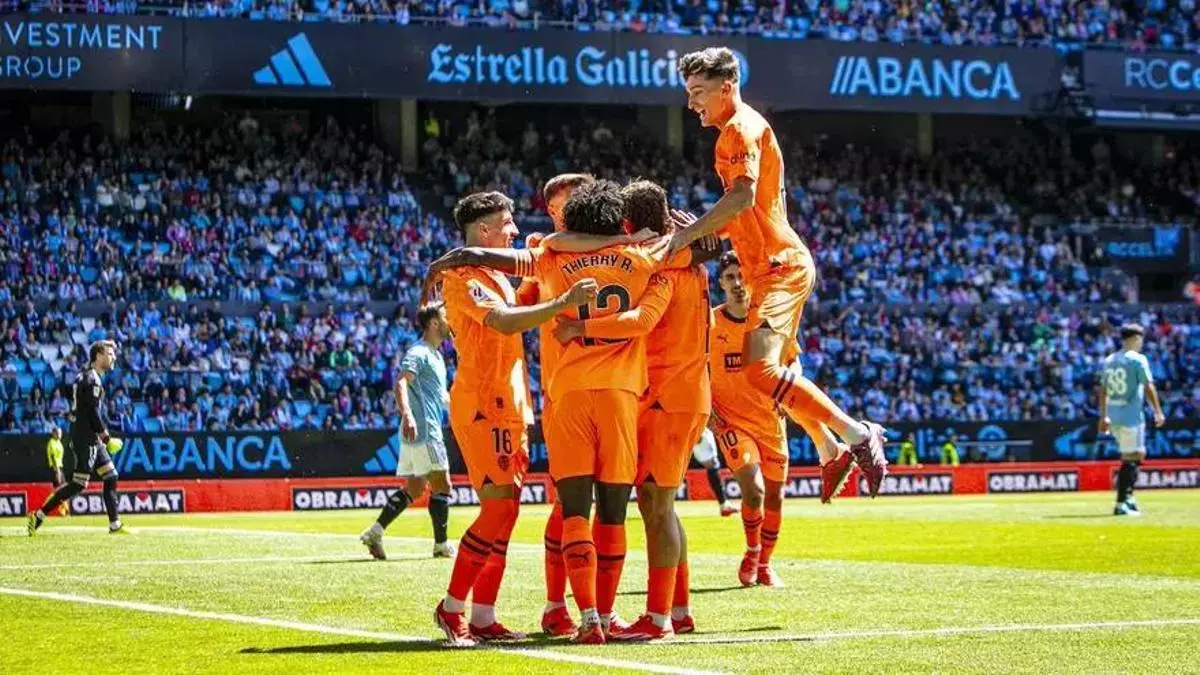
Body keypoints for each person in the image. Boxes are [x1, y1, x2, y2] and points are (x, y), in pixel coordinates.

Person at [428, 180, 705, 644]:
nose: (518, 229)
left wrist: (572, 316)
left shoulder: (546, 257)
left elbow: (546, 255)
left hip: (547, 397)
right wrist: (682, 239)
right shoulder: (643, 257)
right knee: (585, 510)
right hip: (519, 401)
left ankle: (514, 615)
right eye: (506, 223)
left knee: (551, 510)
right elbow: (670, 284)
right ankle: (474, 607)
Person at [666, 46, 887, 502]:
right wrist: (705, 233)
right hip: (766, 268)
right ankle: (829, 449)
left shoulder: (739, 129)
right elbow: (744, 212)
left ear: (726, 87)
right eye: (689, 92)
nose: (691, 103)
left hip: (779, 267)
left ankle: (858, 434)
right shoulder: (737, 131)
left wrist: (686, 237)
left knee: (761, 371)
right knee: (780, 373)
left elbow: (742, 198)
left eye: (698, 91)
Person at [551, 180, 720, 640]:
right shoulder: (680, 254)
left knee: (655, 504)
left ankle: (659, 618)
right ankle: (678, 610)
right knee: (659, 504)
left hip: (668, 393)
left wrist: (580, 328)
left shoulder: (662, 259)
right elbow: (711, 247)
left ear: (626, 223)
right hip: (681, 392)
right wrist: (703, 241)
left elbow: (641, 319)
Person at [431, 191, 596, 647]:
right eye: (507, 224)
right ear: (484, 230)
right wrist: (563, 303)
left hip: (511, 405)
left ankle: (483, 616)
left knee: (506, 514)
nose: (515, 231)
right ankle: (452, 608)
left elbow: (525, 295)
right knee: (498, 508)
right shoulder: (463, 276)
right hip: (484, 405)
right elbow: (504, 321)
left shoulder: (495, 275)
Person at [707, 252, 834, 587]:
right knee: (754, 488)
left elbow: (793, 362)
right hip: (731, 422)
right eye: (730, 277)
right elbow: (693, 367)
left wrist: (787, 386)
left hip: (770, 420)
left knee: (775, 496)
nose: (737, 283)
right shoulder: (709, 323)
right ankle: (752, 551)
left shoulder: (770, 319)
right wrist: (705, 409)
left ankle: (764, 564)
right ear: (721, 283)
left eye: (742, 276)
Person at [516, 172, 595, 637]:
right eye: (569, 203)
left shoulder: (618, 244)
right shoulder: (542, 251)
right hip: (564, 389)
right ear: (551, 212)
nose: (579, 207)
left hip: (621, 388)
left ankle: (603, 607)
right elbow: (519, 310)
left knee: (611, 504)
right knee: (570, 504)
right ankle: (556, 605)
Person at [360, 303, 455, 561]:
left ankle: (375, 532)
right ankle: (441, 545)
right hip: (425, 430)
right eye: (445, 317)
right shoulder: (419, 352)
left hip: (421, 430)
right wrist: (407, 414)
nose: (449, 321)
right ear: (434, 323)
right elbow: (401, 381)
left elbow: (441, 397)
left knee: (415, 488)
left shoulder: (436, 357)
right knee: (443, 485)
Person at [29, 340, 127, 536]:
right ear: (98, 356)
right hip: (85, 437)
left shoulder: (87, 377)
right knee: (79, 484)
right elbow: (92, 412)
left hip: (88, 435)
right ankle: (38, 515)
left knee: (111, 476)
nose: (114, 357)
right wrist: (106, 438)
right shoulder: (91, 380)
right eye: (110, 354)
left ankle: (115, 524)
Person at [1098, 323, 1165, 517]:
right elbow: (1148, 386)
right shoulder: (1137, 359)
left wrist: (1104, 416)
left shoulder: (1110, 360)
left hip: (1114, 416)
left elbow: (1103, 390)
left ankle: (1128, 497)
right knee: (1131, 458)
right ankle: (1121, 502)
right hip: (1131, 416)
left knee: (1137, 455)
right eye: (1140, 339)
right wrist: (1158, 411)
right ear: (1135, 339)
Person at [692, 429, 737, 518]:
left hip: (703, 433)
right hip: (700, 433)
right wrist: (698, 435)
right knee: (712, 467)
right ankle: (723, 504)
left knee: (713, 467)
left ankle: (724, 503)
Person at [46, 427, 69, 517]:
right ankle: (47, 506)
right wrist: (57, 470)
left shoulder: (58, 442)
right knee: (59, 489)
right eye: (58, 433)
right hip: (55, 468)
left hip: (60, 467)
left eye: (60, 433)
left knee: (63, 488)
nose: (60, 434)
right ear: (53, 433)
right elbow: (52, 456)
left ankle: (63, 509)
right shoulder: (51, 442)